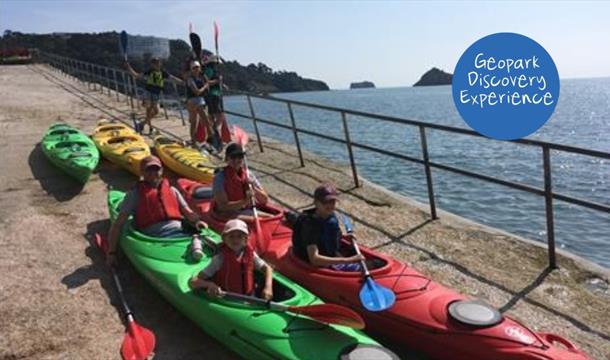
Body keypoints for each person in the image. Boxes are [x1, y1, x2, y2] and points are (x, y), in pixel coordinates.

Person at [106, 155, 207, 265]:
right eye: (148, 169)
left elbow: (188, 212)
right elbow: (118, 224)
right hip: (155, 240)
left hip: (180, 235)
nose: (153, 172)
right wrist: (112, 252)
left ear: (162, 171)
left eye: (156, 169)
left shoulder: (172, 191)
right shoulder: (135, 194)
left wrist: (197, 221)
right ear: (141, 172)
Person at [189, 219, 274, 300]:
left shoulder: (251, 254)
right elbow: (194, 282)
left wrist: (268, 287)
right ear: (224, 239)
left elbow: (268, 269)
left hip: (250, 297)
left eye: (239, 236)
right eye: (231, 236)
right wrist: (209, 285)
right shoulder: (219, 259)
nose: (235, 240)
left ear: (246, 239)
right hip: (227, 298)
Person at [291, 184, 364, 271]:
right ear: (316, 203)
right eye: (325, 202)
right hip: (314, 263)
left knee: (374, 263)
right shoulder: (310, 225)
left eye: (332, 202)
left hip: (330, 254)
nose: (329, 205)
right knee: (361, 267)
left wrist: (344, 237)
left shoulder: (330, 216)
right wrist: (348, 260)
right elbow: (314, 259)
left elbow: (329, 235)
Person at [124, 57, 183, 134]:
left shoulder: (163, 72)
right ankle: (148, 127)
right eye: (155, 63)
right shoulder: (149, 71)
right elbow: (137, 76)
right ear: (152, 64)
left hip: (156, 94)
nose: (157, 64)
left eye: (158, 62)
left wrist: (181, 82)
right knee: (149, 110)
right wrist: (128, 67)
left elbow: (172, 78)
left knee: (155, 111)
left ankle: (142, 124)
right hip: (148, 92)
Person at [212, 143, 270, 220]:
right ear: (226, 159)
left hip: (246, 211)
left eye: (240, 156)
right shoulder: (219, 178)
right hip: (227, 214)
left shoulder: (249, 175)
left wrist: (254, 189)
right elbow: (223, 207)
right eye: (233, 157)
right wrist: (245, 201)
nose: (236, 160)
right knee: (257, 220)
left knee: (271, 218)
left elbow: (264, 200)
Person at [203, 55, 228, 149]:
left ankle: (212, 138)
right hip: (214, 95)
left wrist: (222, 84)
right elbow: (206, 82)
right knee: (220, 116)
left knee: (211, 116)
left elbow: (216, 81)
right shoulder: (209, 70)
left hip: (214, 94)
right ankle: (216, 134)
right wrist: (217, 80)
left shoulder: (213, 70)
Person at [185, 60, 212, 147]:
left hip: (199, 100)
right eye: (194, 68)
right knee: (201, 120)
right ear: (191, 69)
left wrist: (217, 81)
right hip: (194, 100)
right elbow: (196, 92)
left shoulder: (201, 78)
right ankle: (210, 136)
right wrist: (205, 86)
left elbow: (208, 83)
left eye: (197, 67)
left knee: (196, 122)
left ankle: (195, 141)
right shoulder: (190, 79)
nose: (196, 69)